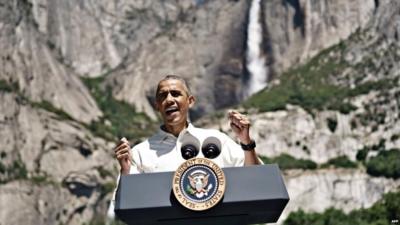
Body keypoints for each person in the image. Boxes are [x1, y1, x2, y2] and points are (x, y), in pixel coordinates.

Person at [108, 75, 260, 218]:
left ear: (190, 101)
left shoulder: (216, 140)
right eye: (163, 96)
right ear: (157, 106)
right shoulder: (140, 152)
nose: (169, 100)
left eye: (175, 94)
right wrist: (126, 171)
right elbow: (125, 205)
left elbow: (256, 180)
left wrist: (246, 142)